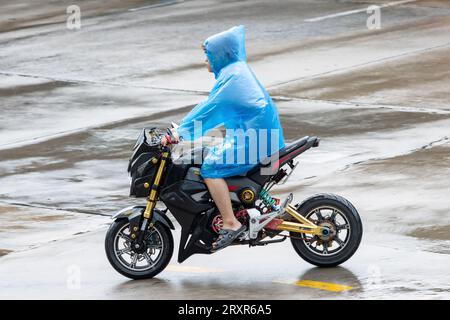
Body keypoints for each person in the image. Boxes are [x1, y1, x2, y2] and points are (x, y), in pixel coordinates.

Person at [162, 25, 285, 251]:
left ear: (220, 54)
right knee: (208, 154)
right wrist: (182, 129)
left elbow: (210, 110)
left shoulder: (233, 78)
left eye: (208, 55)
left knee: (210, 168)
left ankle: (230, 222)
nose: (205, 61)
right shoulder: (234, 72)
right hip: (256, 137)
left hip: (255, 141)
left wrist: (180, 134)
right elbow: (209, 107)